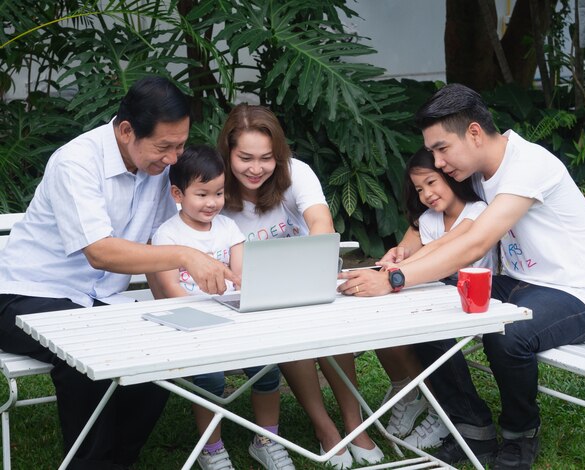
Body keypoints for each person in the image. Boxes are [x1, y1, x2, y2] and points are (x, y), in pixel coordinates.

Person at [338, 83, 585, 469]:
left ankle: (520, 436)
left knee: (508, 334)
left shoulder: (528, 165)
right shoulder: (479, 170)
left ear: (473, 132)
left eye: (441, 149)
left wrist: (394, 280)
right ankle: (472, 428)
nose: (437, 162)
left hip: (576, 295)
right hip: (520, 285)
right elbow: (437, 219)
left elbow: (475, 242)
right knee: (425, 310)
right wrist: (403, 254)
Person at [0, 76, 238, 470]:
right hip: (24, 293)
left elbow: (171, 231)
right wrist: (184, 256)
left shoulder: (162, 167)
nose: (174, 159)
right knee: (85, 349)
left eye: (180, 145)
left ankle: (118, 460)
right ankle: (90, 464)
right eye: (165, 146)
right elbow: (100, 252)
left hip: (99, 301)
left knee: (158, 355)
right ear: (126, 131)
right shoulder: (76, 161)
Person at [218, 103, 384, 469]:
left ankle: (355, 424)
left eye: (267, 158)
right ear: (227, 151)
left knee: (331, 322)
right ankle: (325, 427)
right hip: (252, 296)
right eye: (245, 157)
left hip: (305, 278)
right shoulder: (216, 189)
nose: (256, 168)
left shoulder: (295, 173)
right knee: (289, 327)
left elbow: (320, 220)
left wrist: (315, 259)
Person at [149, 144, 293, 470]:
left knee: (267, 365)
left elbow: (242, 278)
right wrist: (208, 314)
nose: (212, 202)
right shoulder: (168, 235)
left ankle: (266, 440)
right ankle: (211, 448)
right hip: (190, 326)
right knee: (211, 378)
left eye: (218, 193)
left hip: (234, 318)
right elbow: (172, 291)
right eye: (202, 194)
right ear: (177, 193)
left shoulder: (228, 229)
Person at [376, 147, 497, 449]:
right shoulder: (428, 218)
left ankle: (446, 410)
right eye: (419, 189)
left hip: (474, 297)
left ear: (451, 177)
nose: (427, 193)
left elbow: (444, 248)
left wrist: (398, 271)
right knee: (386, 316)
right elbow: (407, 247)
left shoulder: (476, 211)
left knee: (427, 328)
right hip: (438, 292)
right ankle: (422, 396)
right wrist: (396, 257)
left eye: (432, 182)